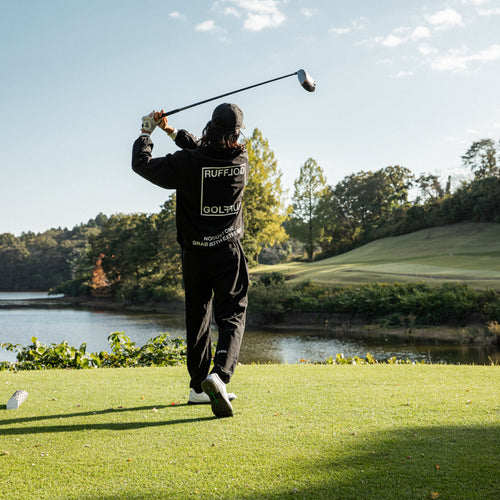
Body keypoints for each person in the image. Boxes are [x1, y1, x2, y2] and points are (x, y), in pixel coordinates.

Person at [131, 103, 249, 418]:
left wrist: (147, 133)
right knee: (232, 316)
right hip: (228, 252)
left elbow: (142, 165)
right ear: (236, 133)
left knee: (197, 319)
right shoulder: (241, 158)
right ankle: (219, 376)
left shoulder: (187, 163)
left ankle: (199, 387)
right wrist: (171, 130)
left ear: (209, 127)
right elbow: (201, 148)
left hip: (195, 254)